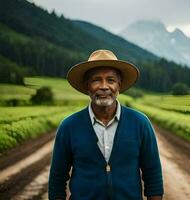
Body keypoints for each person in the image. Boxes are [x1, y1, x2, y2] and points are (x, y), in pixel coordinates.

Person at [48, 50, 164, 200]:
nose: (104, 86)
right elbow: (57, 179)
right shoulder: (69, 126)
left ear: (119, 85)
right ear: (87, 86)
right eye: (96, 80)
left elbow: (152, 175)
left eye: (110, 80)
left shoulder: (140, 123)